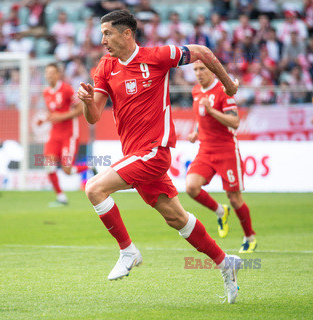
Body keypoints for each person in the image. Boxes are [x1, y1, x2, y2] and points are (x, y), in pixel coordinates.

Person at [77, 10, 242, 303]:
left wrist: (228, 84)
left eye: (108, 33)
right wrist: (89, 102)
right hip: (134, 154)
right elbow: (93, 117)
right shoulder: (105, 67)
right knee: (176, 218)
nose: (102, 40)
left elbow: (202, 51)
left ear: (127, 33)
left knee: (94, 188)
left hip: (154, 151)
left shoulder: (157, 56)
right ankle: (224, 262)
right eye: (101, 34)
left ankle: (128, 251)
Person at [185, 60, 257, 253]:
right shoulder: (196, 91)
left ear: (212, 71)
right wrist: (196, 132)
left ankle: (250, 237)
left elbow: (234, 122)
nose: (198, 73)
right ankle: (220, 211)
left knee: (234, 198)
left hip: (226, 150)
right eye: (196, 69)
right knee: (191, 187)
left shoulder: (223, 90)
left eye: (202, 69)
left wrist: (212, 111)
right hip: (205, 149)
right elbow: (202, 119)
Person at [37, 63, 94, 207]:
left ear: (58, 74)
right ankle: (61, 197)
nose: (49, 75)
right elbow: (53, 112)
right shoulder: (46, 92)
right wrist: (43, 119)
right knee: (48, 165)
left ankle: (90, 167)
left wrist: (60, 117)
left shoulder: (67, 89)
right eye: (47, 73)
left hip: (69, 135)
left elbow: (80, 109)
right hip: (54, 135)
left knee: (67, 170)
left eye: (52, 72)